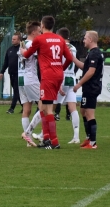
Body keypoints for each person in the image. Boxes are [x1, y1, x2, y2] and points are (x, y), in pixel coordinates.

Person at [20, 16, 73, 149]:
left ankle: (54, 142)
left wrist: (22, 51)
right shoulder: (60, 39)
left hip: (47, 76)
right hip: (58, 75)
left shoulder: (40, 39)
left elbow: (27, 55)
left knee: (47, 109)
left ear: (42, 25)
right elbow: (69, 58)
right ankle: (46, 140)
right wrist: (61, 69)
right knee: (44, 108)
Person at [72, 31, 103, 149]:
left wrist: (79, 84)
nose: (83, 40)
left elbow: (91, 71)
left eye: (85, 38)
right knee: (83, 111)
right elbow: (85, 67)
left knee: (89, 114)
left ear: (90, 39)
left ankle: (93, 143)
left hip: (92, 87)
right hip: (89, 87)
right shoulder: (93, 53)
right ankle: (89, 137)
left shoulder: (95, 53)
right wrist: (72, 58)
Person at [53, 28, 80, 144]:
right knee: (72, 108)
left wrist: (58, 84)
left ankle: (44, 133)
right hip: (71, 78)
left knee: (50, 107)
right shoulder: (73, 48)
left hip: (62, 77)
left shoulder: (60, 45)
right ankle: (76, 136)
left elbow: (59, 63)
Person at [17, 22, 41, 146]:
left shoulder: (23, 44)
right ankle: (27, 133)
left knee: (26, 110)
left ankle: (28, 141)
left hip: (21, 78)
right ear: (33, 32)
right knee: (45, 105)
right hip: (30, 78)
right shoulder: (31, 44)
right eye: (39, 31)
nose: (40, 33)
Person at [0, 33, 22, 114]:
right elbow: (6, 62)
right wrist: (2, 72)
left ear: (19, 40)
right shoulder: (9, 49)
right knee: (17, 91)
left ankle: (12, 108)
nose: (12, 40)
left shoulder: (22, 49)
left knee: (16, 90)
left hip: (19, 74)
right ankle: (24, 106)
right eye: (12, 39)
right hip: (11, 73)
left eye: (14, 39)